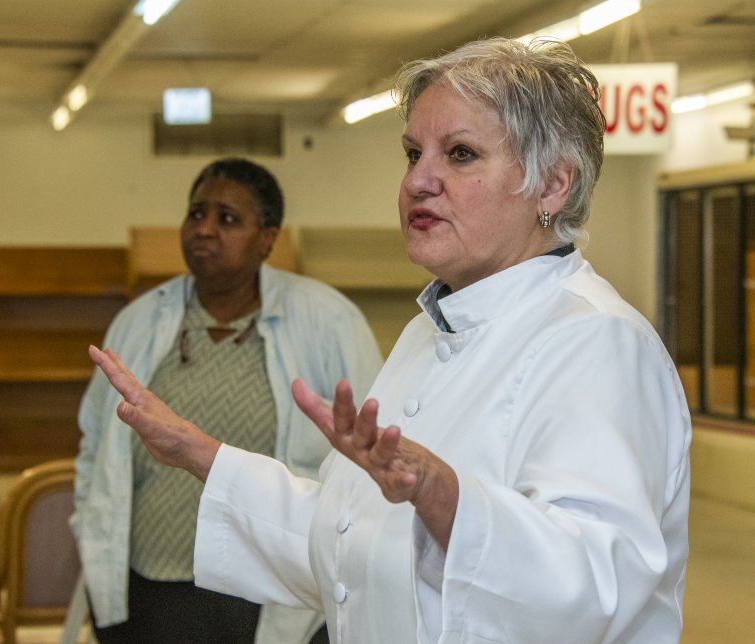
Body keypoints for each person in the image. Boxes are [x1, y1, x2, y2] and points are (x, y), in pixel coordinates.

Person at [87, 37, 692, 644]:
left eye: (460, 154)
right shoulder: (429, 330)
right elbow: (349, 539)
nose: (418, 181)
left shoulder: (596, 340)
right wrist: (199, 453)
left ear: (553, 185)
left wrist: (442, 495)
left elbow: (594, 587)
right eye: (412, 154)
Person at [71, 158, 383, 643]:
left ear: (267, 238)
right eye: (197, 214)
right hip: (151, 580)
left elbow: (367, 452)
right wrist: (89, 530)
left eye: (229, 219)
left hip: (266, 586)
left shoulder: (328, 320)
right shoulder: (140, 321)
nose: (205, 229)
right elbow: (95, 443)